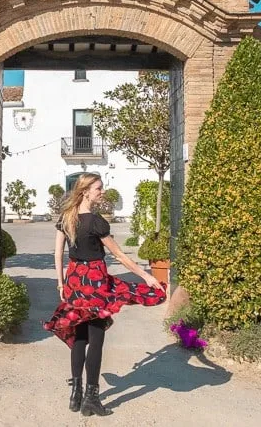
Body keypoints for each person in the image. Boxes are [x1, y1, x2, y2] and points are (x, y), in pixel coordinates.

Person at [43, 173, 166, 416]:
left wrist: (60, 284)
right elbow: (119, 255)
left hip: (74, 280)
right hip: (95, 281)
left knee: (79, 336)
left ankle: (75, 395)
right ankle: (91, 398)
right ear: (86, 191)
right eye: (98, 188)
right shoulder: (97, 222)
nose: (102, 191)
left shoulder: (66, 217)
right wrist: (147, 277)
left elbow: (58, 254)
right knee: (96, 339)